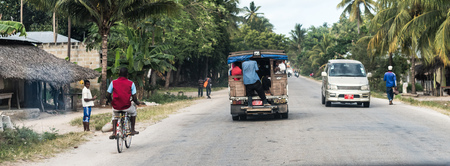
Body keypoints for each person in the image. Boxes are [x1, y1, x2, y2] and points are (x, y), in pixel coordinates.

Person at [107, 67, 142, 139]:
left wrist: (111, 102)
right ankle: (132, 130)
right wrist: (138, 103)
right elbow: (134, 98)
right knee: (133, 112)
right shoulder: (131, 83)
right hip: (127, 106)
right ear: (127, 74)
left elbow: (107, 95)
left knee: (114, 116)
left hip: (116, 106)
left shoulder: (113, 82)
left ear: (119, 74)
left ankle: (114, 132)